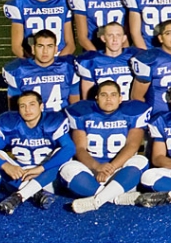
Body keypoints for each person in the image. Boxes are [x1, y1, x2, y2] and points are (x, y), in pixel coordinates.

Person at [60, 80, 151, 214]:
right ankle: (116, 198)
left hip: (119, 173)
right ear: (96, 98)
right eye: (104, 95)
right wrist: (97, 167)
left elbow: (132, 146)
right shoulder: (83, 114)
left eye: (113, 95)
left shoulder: (132, 114)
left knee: (141, 161)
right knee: (66, 169)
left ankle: (96, 200)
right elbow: (80, 149)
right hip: (91, 171)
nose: (109, 99)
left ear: (120, 98)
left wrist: (111, 168)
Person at [0, 91, 74, 214]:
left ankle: (19, 196)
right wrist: (6, 166)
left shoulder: (52, 122)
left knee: (60, 153)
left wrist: (40, 168)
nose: (27, 109)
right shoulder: (11, 124)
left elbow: (70, 149)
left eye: (32, 104)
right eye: (22, 106)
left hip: (47, 176)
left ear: (41, 106)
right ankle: (33, 193)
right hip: (19, 177)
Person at [3, 29, 80, 112]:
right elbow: (14, 109)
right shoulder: (18, 70)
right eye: (40, 46)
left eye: (49, 46)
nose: (45, 51)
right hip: (32, 122)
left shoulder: (68, 67)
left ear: (55, 49)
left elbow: (74, 105)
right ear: (33, 49)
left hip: (61, 120)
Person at [129, 20, 171, 114]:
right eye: (168, 33)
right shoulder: (149, 58)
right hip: (159, 115)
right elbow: (137, 97)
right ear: (161, 38)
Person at [4, 0, 75, 58]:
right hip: (31, 58)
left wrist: (57, 63)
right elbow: (16, 46)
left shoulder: (64, 3)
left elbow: (70, 44)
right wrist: (34, 64)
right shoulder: (20, 4)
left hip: (59, 58)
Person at [75, 22, 137, 101]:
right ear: (103, 38)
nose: (115, 39)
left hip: (128, 108)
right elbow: (87, 99)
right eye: (110, 35)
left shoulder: (134, 57)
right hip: (103, 110)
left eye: (118, 35)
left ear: (124, 38)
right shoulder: (91, 61)